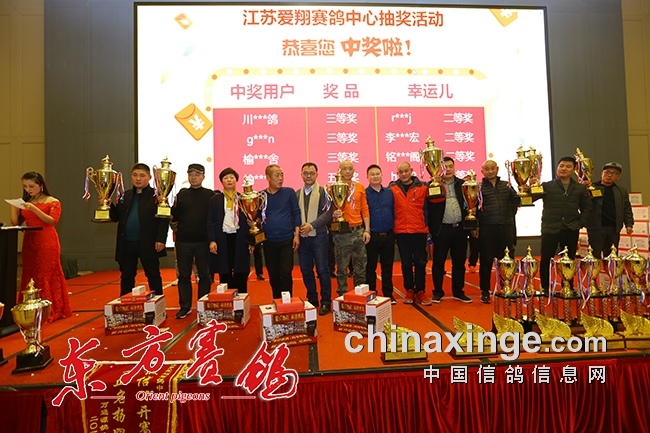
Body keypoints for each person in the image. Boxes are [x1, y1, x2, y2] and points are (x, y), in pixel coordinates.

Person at [9, 172, 72, 323]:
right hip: (30, 241)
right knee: (30, 273)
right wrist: (13, 208)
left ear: (41, 185)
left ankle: (49, 309)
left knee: (46, 272)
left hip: (46, 241)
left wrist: (34, 209)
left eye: (31, 186)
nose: (28, 189)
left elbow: (52, 221)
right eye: (25, 187)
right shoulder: (27, 202)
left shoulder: (52, 201)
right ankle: (29, 309)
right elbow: (16, 223)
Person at [531, 156, 591, 294]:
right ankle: (545, 287)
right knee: (546, 258)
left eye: (568, 166)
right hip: (550, 228)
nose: (564, 169)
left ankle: (568, 286)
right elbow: (530, 199)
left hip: (571, 228)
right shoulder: (546, 186)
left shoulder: (580, 188)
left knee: (569, 259)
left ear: (574, 169)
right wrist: (530, 187)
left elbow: (587, 208)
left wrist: (580, 223)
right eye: (561, 166)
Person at [110, 163, 168, 296]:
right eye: (135, 175)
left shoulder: (157, 196)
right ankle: (125, 302)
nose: (138, 178)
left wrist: (161, 239)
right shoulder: (125, 195)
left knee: (153, 274)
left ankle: (157, 303)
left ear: (149, 177)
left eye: (142, 175)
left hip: (148, 242)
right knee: (126, 275)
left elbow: (163, 219)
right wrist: (108, 204)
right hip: (126, 243)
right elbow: (116, 216)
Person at [471, 160, 520, 303]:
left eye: (492, 168)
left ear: (497, 169)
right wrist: (475, 226)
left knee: (507, 260)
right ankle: (485, 290)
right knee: (486, 261)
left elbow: (516, 202)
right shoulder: (478, 188)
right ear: (482, 171)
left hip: (506, 227)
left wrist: (524, 189)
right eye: (487, 169)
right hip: (487, 228)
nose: (490, 171)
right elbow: (473, 209)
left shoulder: (507, 185)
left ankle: (507, 287)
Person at [171, 164, 215, 319]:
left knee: (204, 275)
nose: (193, 177)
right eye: (191, 174)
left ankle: (203, 306)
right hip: (183, 242)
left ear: (203, 176)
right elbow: (173, 216)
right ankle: (185, 307)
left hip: (203, 241)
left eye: (197, 174)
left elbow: (213, 218)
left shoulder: (210, 195)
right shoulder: (181, 194)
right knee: (183, 276)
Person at [428, 157, 472, 303]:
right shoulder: (433, 185)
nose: (448, 169)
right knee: (438, 262)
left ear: (454, 167)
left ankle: (458, 291)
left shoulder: (462, 184)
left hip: (459, 229)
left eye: (450, 166)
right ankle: (438, 292)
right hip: (442, 230)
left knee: (459, 262)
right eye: (445, 167)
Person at [389, 162, 432, 305]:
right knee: (406, 263)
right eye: (401, 172)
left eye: (406, 171)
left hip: (419, 230)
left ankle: (420, 291)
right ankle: (409, 290)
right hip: (401, 231)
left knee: (420, 262)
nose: (404, 174)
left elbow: (432, 205)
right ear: (397, 174)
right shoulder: (392, 188)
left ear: (411, 171)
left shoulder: (424, 187)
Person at [296, 162, 333, 315]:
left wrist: (311, 226)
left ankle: (326, 301)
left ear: (317, 174)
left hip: (319, 236)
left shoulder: (324, 192)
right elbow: (295, 214)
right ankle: (312, 299)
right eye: (306, 173)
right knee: (305, 270)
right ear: (301, 175)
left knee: (322, 269)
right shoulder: (297, 194)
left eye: (312, 173)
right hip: (302, 237)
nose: (309, 175)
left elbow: (328, 213)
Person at [207, 168, 251, 296]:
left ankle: (241, 299)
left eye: (232, 177)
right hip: (222, 238)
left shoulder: (243, 198)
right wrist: (212, 240)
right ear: (221, 182)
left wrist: (251, 241)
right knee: (224, 270)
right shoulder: (215, 199)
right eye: (225, 178)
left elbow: (251, 220)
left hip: (240, 238)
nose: (229, 180)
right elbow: (210, 220)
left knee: (241, 270)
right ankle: (226, 299)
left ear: (236, 180)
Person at [261, 165, 301, 299]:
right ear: (268, 178)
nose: (280, 178)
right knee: (273, 274)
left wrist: (297, 235)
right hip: (268, 241)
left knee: (285, 273)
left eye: (282, 175)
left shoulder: (289, 192)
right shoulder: (261, 196)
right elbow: (258, 217)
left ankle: (287, 301)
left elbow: (296, 213)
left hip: (286, 239)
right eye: (277, 175)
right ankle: (277, 300)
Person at [332, 160, 371, 296]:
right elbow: (328, 209)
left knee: (360, 266)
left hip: (358, 231)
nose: (347, 171)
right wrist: (334, 213)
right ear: (339, 171)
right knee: (342, 267)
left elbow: (364, 208)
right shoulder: (333, 187)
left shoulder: (359, 187)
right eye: (344, 169)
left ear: (354, 171)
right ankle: (342, 294)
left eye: (350, 169)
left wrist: (367, 230)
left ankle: (359, 294)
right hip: (342, 233)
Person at [584, 162, 634, 258]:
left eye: (614, 173)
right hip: (596, 227)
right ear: (601, 174)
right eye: (607, 172)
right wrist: (585, 188)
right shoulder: (591, 188)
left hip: (614, 228)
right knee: (594, 255)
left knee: (612, 255)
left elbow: (626, 208)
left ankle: (611, 268)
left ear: (618, 177)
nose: (610, 175)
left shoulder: (621, 191)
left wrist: (629, 224)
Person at [365, 165, 396, 304]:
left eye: (377, 174)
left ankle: (388, 294)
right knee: (370, 267)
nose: (375, 176)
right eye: (372, 174)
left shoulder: (389, 193)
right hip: (371, 236)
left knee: (387, 267)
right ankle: (371, 294)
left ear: (382, 175)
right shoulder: (364, 194)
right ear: (367, 177)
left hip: (388, 235)